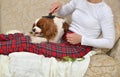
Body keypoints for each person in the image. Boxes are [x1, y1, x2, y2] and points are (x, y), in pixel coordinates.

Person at [0, 0, 115, 59]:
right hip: (64, 36)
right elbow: (63, 12)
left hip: (78, 47)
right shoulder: (79, 0)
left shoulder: (105, 11)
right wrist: (59, 6)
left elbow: (109, 42)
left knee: (29, 44)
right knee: (22, 36)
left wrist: (82, 39)